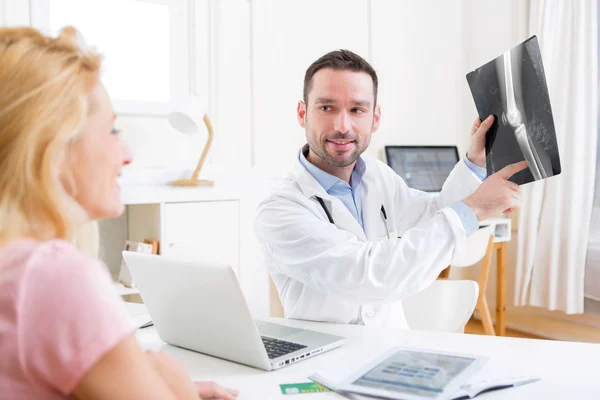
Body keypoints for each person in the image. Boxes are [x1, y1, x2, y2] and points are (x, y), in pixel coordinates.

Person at [0, 27, 239, 400]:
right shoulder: (54, 278)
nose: (126, 154)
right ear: (56, 146)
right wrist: (178, 391)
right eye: (112, 130)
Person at [254, 49, 526, 328]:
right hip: (326, 362)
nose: (342, 126)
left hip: (393, 351)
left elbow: (433, 213)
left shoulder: (378, 176)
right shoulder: (280, 209)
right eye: (326, 107)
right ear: (302, 113)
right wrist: (475, 208)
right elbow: (367, 275)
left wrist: (475, 162)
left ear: (375, 118)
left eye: (357, 109)